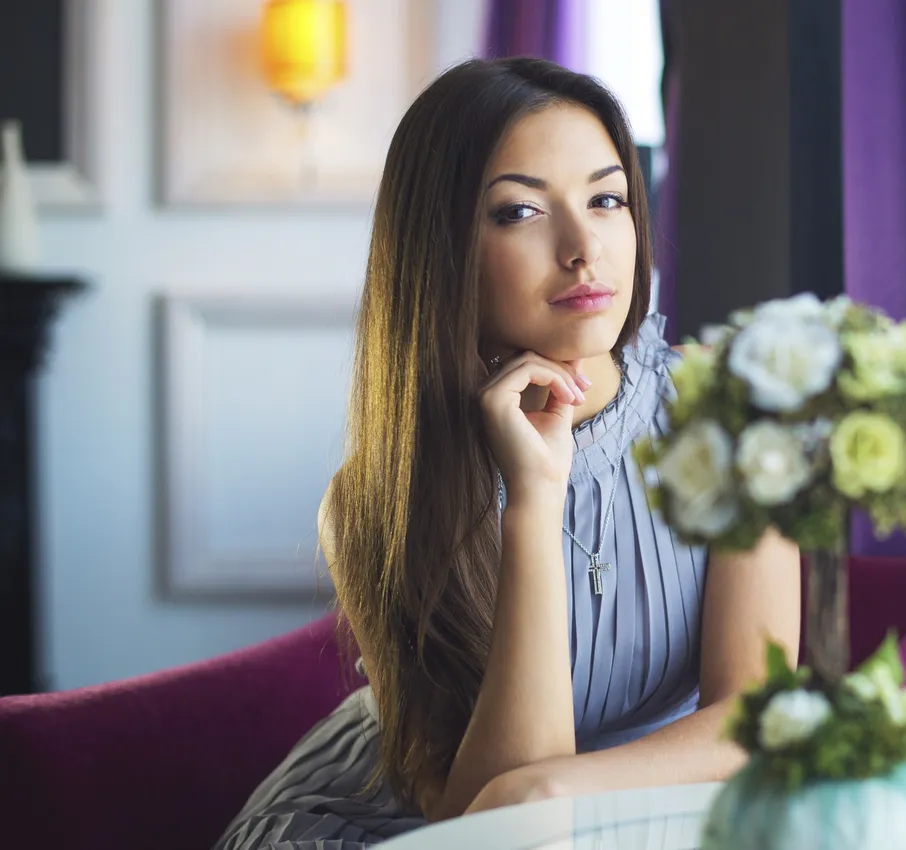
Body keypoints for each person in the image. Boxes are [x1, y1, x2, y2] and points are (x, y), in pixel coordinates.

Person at [214, 57, 800, 849]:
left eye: (606, 199)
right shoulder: (378, 499)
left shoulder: (731, 416)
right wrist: (533, 500)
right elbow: (480, 829)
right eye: (520, 212)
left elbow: (755, 717)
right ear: (443, 248)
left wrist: (553, 788)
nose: (584, 248)